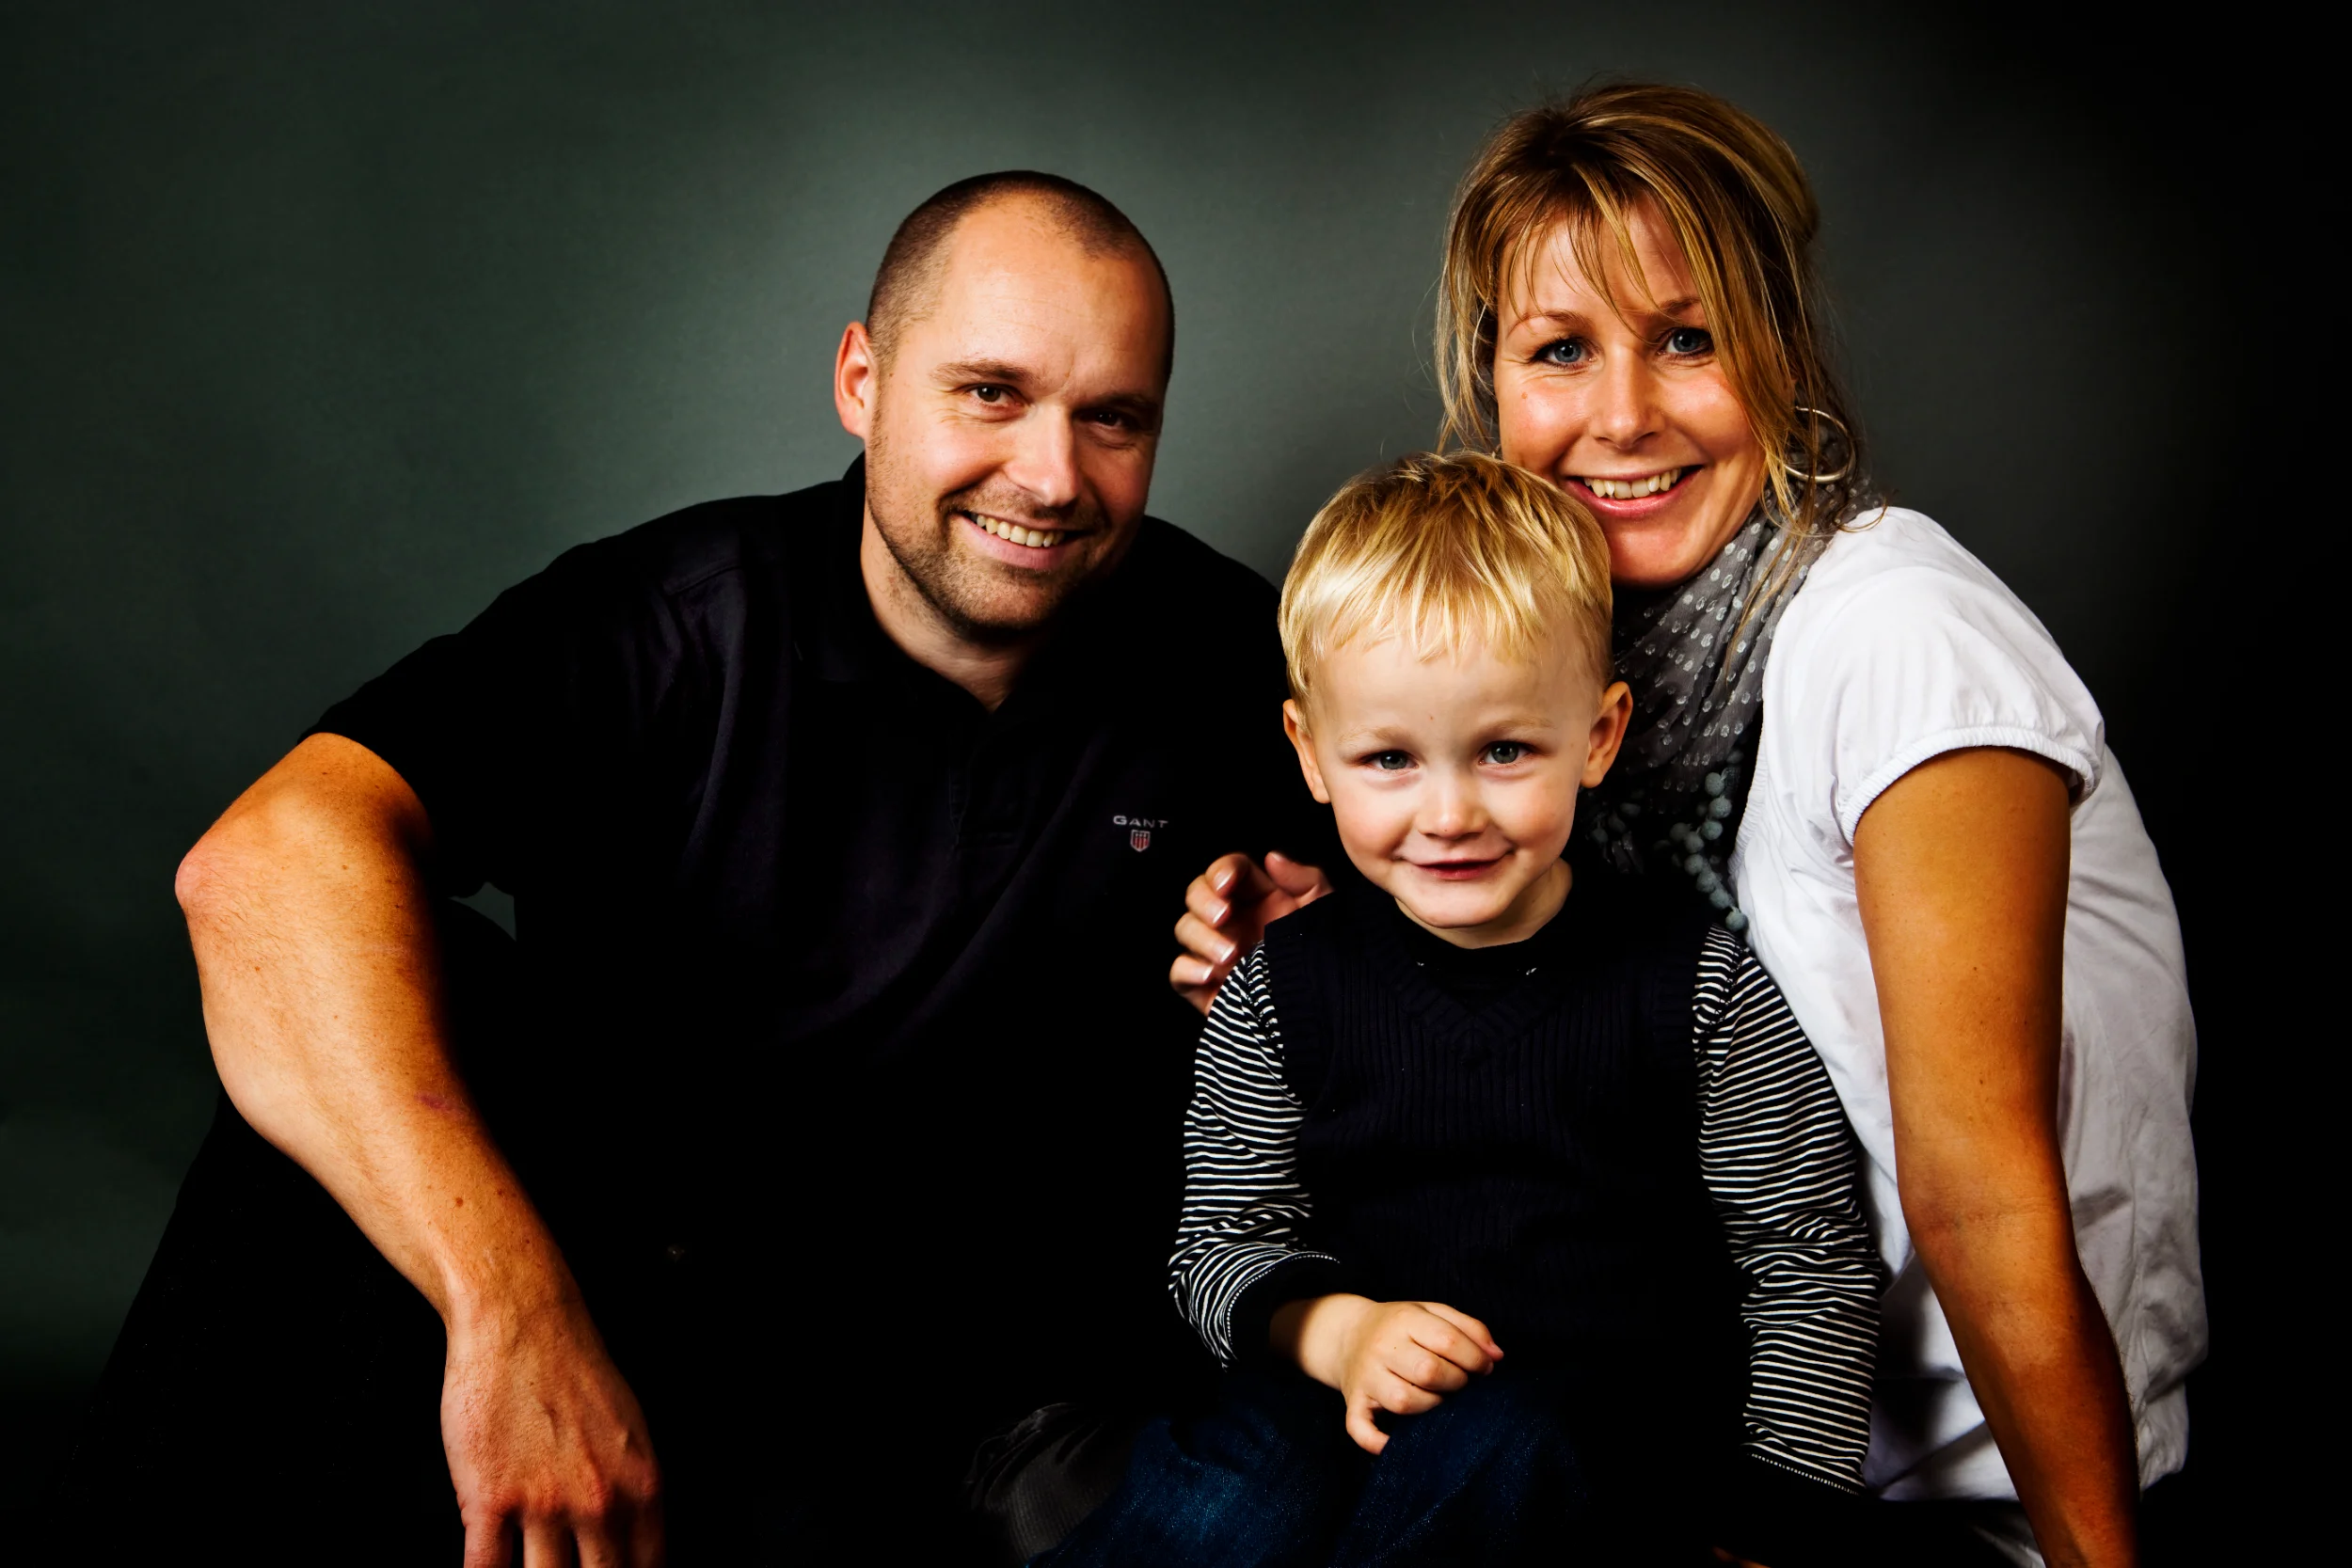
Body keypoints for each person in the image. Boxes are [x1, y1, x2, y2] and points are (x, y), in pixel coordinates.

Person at [120, 170, 1327, 1564]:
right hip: (641, 1327)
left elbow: (1464, 946)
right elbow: (264, 863)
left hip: (1010, 1393)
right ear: (862, 381)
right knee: (388, 1018)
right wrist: (513, 1315)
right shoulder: (671, 623)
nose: (1053, 477)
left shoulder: (1237, 654)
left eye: (1112, 418)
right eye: (990, 393)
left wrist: (1320, 960)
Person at [1171, 86, 2201, 1568]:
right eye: (1560, 349)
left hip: (1958, 1492)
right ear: (1493, 378)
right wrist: (1361, 959)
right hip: (1663, 1450)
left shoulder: (1895, 634)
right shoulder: (1595, 664)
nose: (1622, 415)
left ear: (1780, 351)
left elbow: (1980, 1197)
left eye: (1688, 337)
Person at [1049, 452, 1883, 1567]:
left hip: (1593, 1439)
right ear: (1310, 753)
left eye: (1503, 750)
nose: (1448, 813)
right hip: (1340, 1399)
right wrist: (1338, 1331)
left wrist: (1781, 1515)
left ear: (1598, 734)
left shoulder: (1696, 983)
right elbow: (1219, 1246)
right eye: (1388, 758)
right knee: (1231, 1478)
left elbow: (1805, 1258)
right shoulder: (1277, 988)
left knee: (1511, 1444)